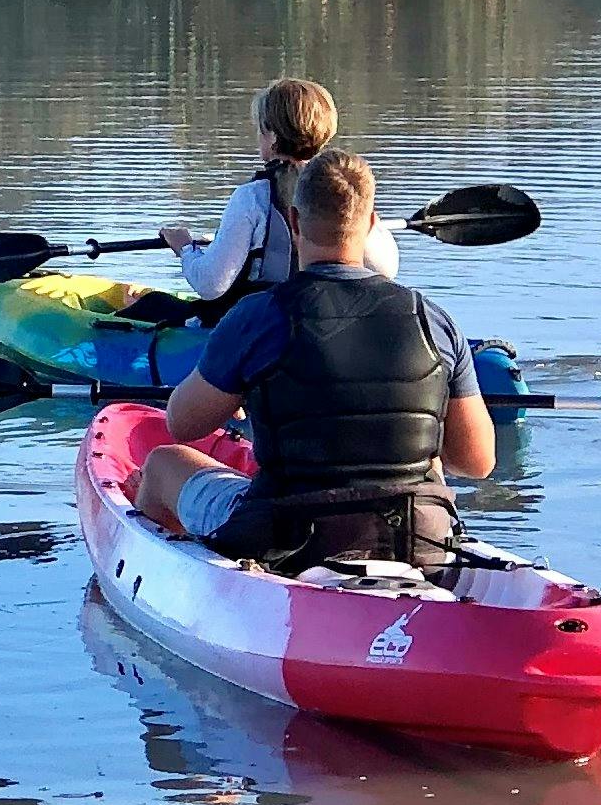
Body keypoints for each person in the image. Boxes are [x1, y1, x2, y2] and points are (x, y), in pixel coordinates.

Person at [135, 146, 493, 574]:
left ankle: (187, 592)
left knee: (161, 464)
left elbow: (183, 423)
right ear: (372, 223)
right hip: (420, 537)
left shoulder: (258, 316)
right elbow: (477, 460)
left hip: (286, 538)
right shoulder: (433, 319)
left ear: (295, 222)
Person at [161, 74, 398, 313]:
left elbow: (210, 285)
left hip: (261, 323)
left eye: (260, 129)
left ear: (272, 136)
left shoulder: (251, 198)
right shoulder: (345, 189)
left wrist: (186, 248)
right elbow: (385, 269)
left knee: (150, 307)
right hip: (327, 316)